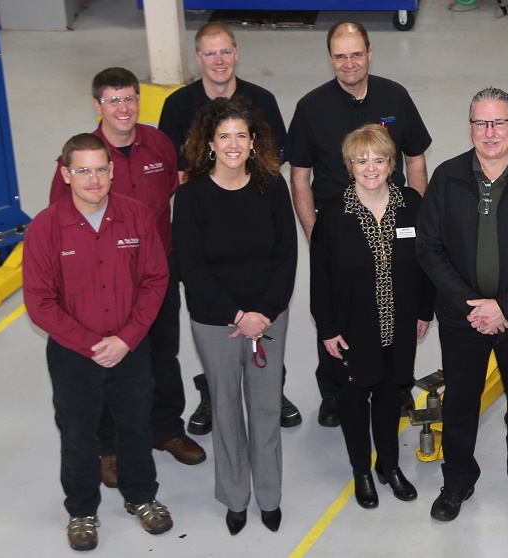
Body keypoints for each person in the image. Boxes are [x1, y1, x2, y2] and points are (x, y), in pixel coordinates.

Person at [416, 86, 508, 528]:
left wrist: (505, 307)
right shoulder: (447, 178)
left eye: (499, 121)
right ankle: (457, 480)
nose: (490, 132)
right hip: (463, 321)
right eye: (481, 123)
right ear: (470, 128)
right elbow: (429, 248)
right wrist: (471, 305)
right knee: (460, 403)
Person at [49, 67, 204, 488]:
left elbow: (178, 189)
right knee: (105, 359)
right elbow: (59, 226)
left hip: (159, 268)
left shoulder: (159, 144)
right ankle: (108, 448)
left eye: (130, 98)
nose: (124, 108)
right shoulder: (84, 159)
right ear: (97, 105)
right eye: (113, 100)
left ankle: (167, 429)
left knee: (162, 353)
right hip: (105, 278)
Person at [26, 133, 174, 551]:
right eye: (83, 170)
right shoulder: (45, 228)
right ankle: (82, 511)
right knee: (77, 433)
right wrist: (93, 344)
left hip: (130, 348)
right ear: (65, 174)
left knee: (134, 426)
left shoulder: (136, 216)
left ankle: (142, 497)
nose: (93, 179)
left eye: (101, 169)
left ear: (112, 171)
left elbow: (154, 280)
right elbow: (40, 302)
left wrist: (126, 339)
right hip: (74, 354)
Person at [288, 20, 432, 428]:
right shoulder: (311, 108)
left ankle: (397, 385)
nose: (349, 63)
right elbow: (300, 177)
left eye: (356, 54)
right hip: (338, 230)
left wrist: (416, 217)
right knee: (336, 307)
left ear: (370, 52)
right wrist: (317, 236)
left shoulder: (395, 97)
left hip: (391, 220)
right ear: (330, 58)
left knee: (397, 304)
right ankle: (335, 393)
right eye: (340, 56)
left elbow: (415, 160)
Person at [157, 21, 298, 435]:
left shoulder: (262, 100)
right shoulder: (178, 105)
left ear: (236, 53)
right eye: (209, 53)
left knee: (263, 303)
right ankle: (211, 392)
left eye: (225, 52)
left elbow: (276, 157)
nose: (219, 61)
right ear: (197, 58)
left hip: (250, 208)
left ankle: (273, 389)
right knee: (212, 323)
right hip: (204, 216)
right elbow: (174, 167)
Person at [172, 97, 297, 536]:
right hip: (216, 323)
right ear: (208, 144)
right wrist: (237, 315)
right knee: (225, 412)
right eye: (223, 136)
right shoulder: (189, 197)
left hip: (269, 320)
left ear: (253, 142)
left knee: (265, 410)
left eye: (241, 135)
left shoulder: (272, 186)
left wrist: (262, 313)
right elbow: (191, 266)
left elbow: (286, 256)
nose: (232, 144)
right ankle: (235, 498)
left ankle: (269, 496)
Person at [309, 124, 434, 509]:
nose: (370, 167)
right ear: (349, 166)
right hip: (351, 327)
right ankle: (361, 470)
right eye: (361, 160)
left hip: (398, 322)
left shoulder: (412, 204)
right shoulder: (332, 214)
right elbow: (320, 278)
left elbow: (427, 263)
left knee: (389, 394)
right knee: (353, 399)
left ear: (391, 164)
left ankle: (389, 466)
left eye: (379, 159)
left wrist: (424, 311)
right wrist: (327, 328)